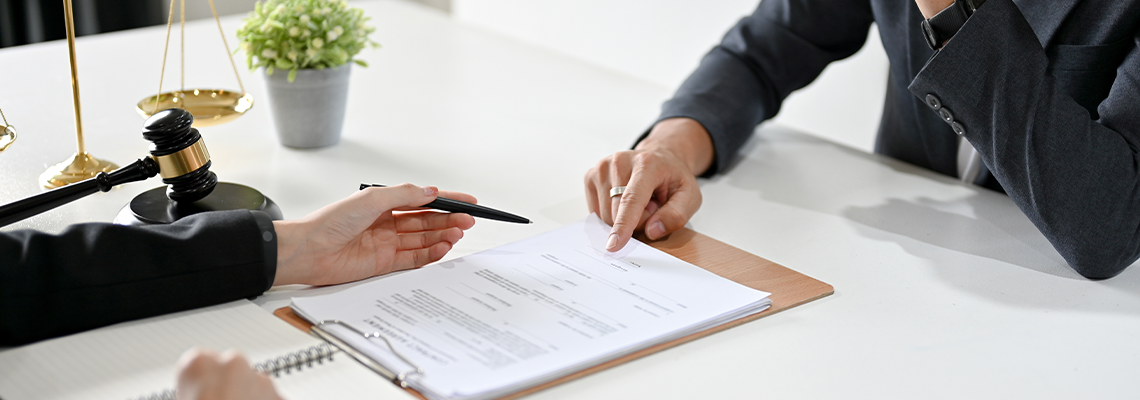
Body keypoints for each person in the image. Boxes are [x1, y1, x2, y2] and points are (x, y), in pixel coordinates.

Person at [585, 0, 1140, 279]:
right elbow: (768, 47)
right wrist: (670, 149)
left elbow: (1107, 228)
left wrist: (949, 11)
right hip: (898, 276)